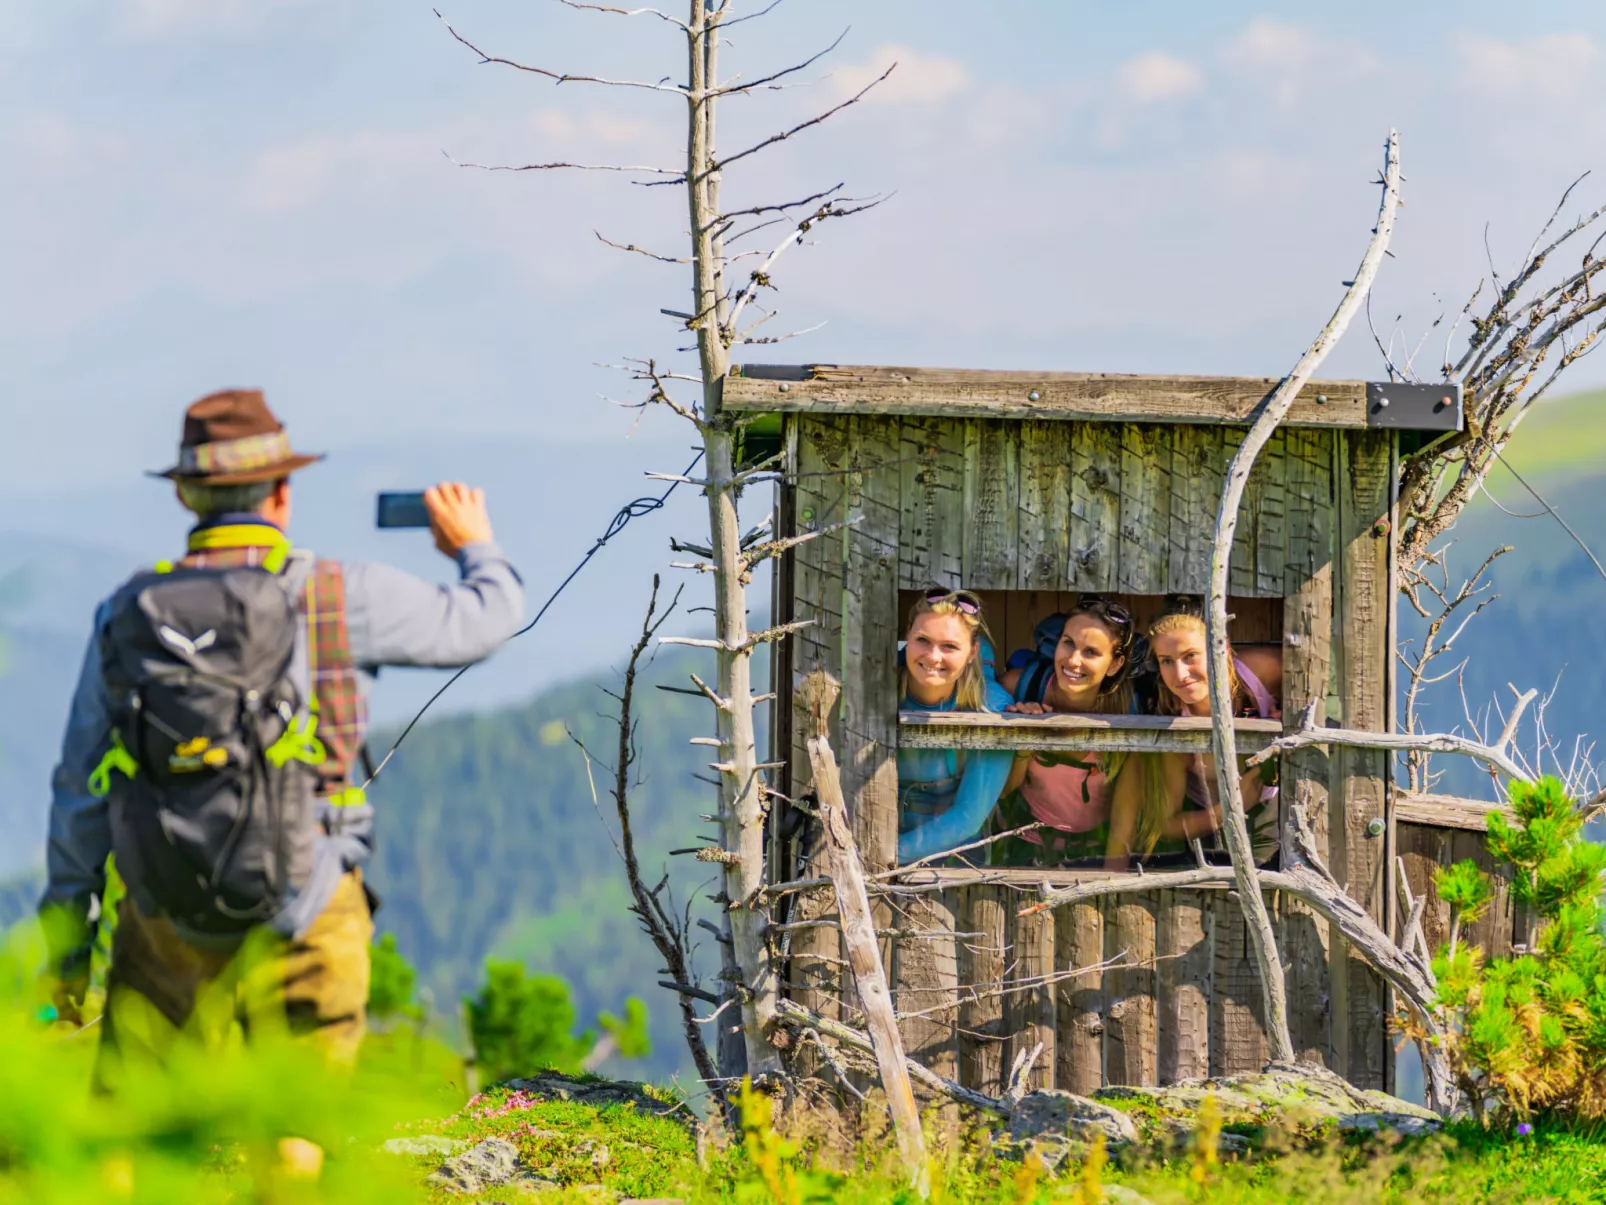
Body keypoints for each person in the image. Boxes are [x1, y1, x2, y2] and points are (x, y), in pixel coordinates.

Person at [39, 389, 525, 1080]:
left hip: (162, 899)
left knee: (144, 1129)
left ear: (184, 497)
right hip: (312, 888)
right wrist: (473, 543)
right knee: (300, 1121)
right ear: (282, 493)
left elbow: (80, 788)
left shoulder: (128, 612)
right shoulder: (336, 592)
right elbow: (489, 618)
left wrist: (67, 946)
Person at [1105, 601, 1282, 869]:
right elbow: (1165, 825)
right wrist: (1227, 811)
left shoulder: (1261, 670)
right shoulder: (1173, 722)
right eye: (1166, 661)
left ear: (1220, 648)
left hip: (1273, 808)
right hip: (1209, 821)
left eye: (1190, 656)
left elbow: (1316, 676)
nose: (1180, 674)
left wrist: (1291, 714)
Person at [991, 597, 1141, 867]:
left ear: (1114, 664)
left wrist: (1111, 881)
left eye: (1091, 652)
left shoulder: (1129, 710)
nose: (1073, 661)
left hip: (1096, 852)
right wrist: (1024, 737)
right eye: (1068, 643)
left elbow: (1124, 816)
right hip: (1021, 846)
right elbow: (998, 791)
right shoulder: (1020, 687)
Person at [896, 588, 1014, 865]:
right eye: (923, 640)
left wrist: (883, 856)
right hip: (874, 839)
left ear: (973, 652)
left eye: (949, 646)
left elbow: (967, 817)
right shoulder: (877, 692)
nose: (934, 656)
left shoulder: (994, 709)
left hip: (957, 861)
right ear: (907, 639)